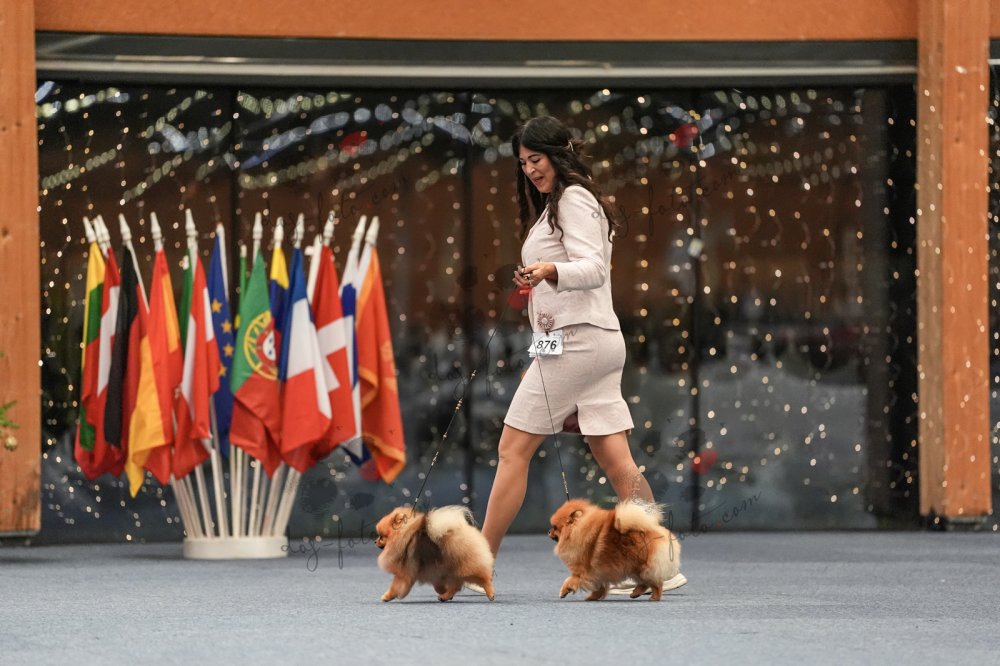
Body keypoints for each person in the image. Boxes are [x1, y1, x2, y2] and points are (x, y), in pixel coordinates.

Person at [478, 115, 686, 594]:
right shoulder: (568, 201)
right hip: (589, 342)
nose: (530, 169)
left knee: (512, 450)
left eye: (536, 158)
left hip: (579, 343)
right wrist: (544, 290)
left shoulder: (572, 198)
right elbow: (570, 287)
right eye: (523, 163)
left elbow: (593, 269)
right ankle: (661, 563)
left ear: (559, 154)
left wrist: (549, 270)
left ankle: (477, 561)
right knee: (616, 459)